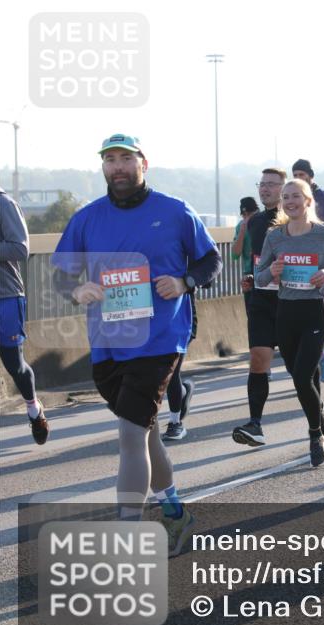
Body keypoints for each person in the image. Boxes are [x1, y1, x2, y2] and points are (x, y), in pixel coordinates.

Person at [52, 133, 221, 556]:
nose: (118, 167)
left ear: (143, 163)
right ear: (103, 167)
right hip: (108, 344)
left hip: (161, 339)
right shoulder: (87, 218)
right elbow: (61, 275)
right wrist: (77, 290)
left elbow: (211, 259)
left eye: (126, 158)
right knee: (145, 434)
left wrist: (185, 281)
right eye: (110, 159)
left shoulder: (174, 211)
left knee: (130, 434)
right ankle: (176, 514)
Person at [255, 179, 324, 467]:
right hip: (286, 314)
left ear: (308, 201)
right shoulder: (275, 236)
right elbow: (259, 277)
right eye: (286, 197)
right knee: (304, 376)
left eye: (296, 197)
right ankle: (320, 416)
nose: (290, 202)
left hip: (314, 312)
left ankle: (316, 436)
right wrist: (272, 270)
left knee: (302, 378)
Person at [232, 168, 288, 446]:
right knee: (258, 359)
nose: (265, 189)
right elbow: (259, 260)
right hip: (261, 300)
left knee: (300, 371)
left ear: (284, 188)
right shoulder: (254, 222)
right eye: (262, 184)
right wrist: (252, 279)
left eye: (271, 184)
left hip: (292, 302)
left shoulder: (299, 220)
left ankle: (318, 425)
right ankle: (255, 424)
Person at [0, 186, 49, 444]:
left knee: (14, 365)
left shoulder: (4, 204)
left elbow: (20, 249)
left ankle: (33, 409)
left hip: (5, 297)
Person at [160, 294, 196, 441]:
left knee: (170, 370)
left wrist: (185, 283)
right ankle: (182, 391)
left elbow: (206, 280)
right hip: (150, 320)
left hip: (180, 318)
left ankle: (175, 423)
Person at [232, 196, 259, 312]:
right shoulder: (240, 226)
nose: (247, 218)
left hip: (264, 273)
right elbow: (235, 255)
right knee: (251, 313)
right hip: (248, 276)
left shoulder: (264, 223)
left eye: (250, 214)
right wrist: (242, 232)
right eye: (244, 215)